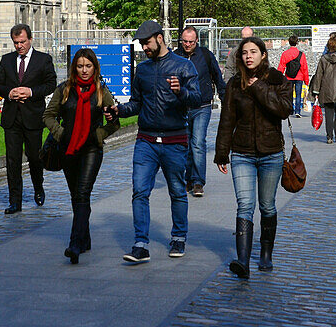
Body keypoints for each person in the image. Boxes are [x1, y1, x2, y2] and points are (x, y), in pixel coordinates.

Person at [117, 20, 201, 263]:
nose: (144, 47)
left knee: (177, 191)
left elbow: (197, 99)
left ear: (160, 38)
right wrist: (118, 110)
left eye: (147, 42)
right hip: (146, 140)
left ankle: (179, 237)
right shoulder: (142, 70)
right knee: (139, 191)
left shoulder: (183, 66)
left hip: (174, 140)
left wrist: (180, 92)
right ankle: (140, 244)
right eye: (142, 44)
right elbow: (136, 104)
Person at [214, 35, 293, 279]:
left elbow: (283, 110)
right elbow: (227, 119)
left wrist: (258, 86)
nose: (248, 56)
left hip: (271, 153)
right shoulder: (235, 84)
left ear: (263, 55)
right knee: (245, 205)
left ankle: (266, 254)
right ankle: (243, 261)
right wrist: (221, 153)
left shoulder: (278, 79)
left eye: (253, 52)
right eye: (244, 53)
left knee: (267, 205)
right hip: (242, 153)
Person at [43, 48, 120, 263]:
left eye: (88, 66)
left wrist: (98, 134)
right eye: (80, 66)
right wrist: (60, 134)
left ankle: (75, 244)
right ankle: (85, 238)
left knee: (83, 193)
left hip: (91, 150)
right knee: (76, 195)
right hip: (68, 148)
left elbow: (115, 122)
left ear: (95, 67)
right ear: (74, 67)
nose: (84, 70)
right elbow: (48, 116)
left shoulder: (100, 91)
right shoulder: (65, 89)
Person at [0, 23, 58, 214]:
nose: (19, 46)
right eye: (16, 43)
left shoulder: (43, 59)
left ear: (30, 39)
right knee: (12, 160)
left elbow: (50, 84)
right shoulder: (6, 60)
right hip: (12, 117)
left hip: (33, 116)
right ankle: (15, 201)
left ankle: (38, 187)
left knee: (34, 158)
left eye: (22, 42)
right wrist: (10, 93)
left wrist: (30, 92)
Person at [174, 26, 226, 198]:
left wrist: (224, 98)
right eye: (185, 41)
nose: (187, 44)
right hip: (181, 106)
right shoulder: (175, 55)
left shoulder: (205, 55)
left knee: (198, 143)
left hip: (202, 105)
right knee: (185, 143)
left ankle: (198, 181)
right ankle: (188, 177)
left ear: (197, 40)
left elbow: (217, 76)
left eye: (191, 41)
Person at [309, 34, 336, 143]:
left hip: (326, 89)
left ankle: (329, 136)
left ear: (328, 46)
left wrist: (316, 91)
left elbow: (318, 76)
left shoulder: (323, 59)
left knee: (328, 114)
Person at [277, 35, 309, 118]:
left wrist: (278, 78)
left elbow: (281, 66)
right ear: (297, 43)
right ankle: (297, 111)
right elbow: (304, 68)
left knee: (289, 94)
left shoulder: (285, 54)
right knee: (298, 94)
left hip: (289, 77)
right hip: (299, 77)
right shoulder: (301, 54)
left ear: (289, 42)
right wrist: (306, 80)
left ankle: (290, 110)